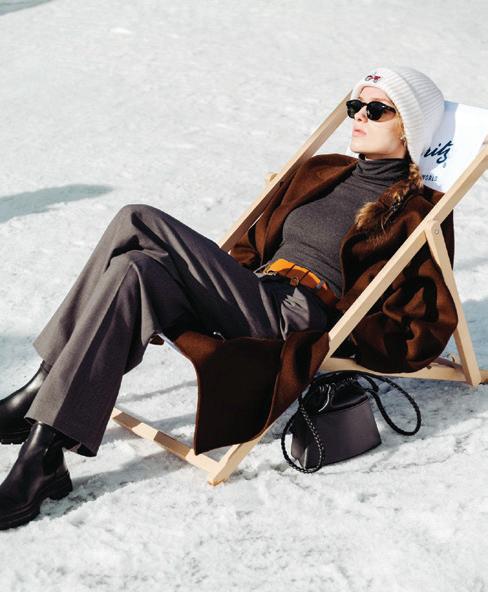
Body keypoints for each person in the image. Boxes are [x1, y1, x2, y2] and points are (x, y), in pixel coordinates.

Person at [0, 65, 447, 529]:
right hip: (255, 292)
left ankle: (44, 385)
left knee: (137, 218)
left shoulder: (415, 211)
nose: (360, 117)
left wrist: (346, 340)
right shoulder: (323, 170)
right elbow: (252, 244)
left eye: (377, 110)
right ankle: (45, 455)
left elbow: (420, 313)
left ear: (409, 127)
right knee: (134, 268)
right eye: (356, 106)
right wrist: (225, 280)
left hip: (295, 317)